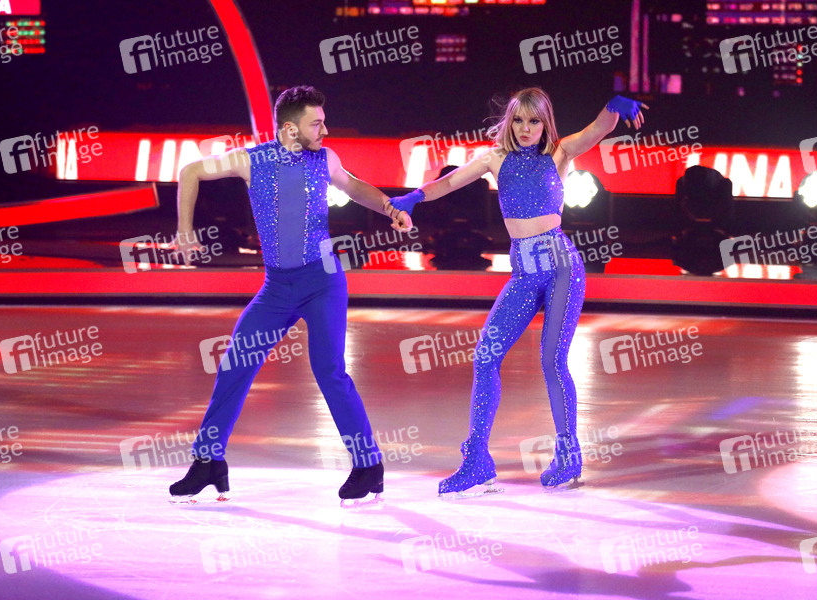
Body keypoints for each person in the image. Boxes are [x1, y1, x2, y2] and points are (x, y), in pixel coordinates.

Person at [388, 89, 647, 497]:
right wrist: (414, 197)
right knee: (485, 356)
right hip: (525, 272)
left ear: (545, 124)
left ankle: (568, 455)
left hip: (561, 267)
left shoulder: (560, 153)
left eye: (534, 121)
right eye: (519, 121)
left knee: (552, 360)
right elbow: (449, 182)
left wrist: (613, 107)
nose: (526, 129)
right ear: (510, 123)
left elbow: (598, 130)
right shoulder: (495, 158)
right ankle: (477, 461)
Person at [169, 85, 412, 506]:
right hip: (276, 288)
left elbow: (356, 187)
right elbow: (190, 172)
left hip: (323, 281)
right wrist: (185, 231)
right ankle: (208, 462)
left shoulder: (325, 159)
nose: (325, 130)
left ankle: (368, 465)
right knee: (235, 365)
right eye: (316, 124)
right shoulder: (251, 160)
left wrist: (390, 207)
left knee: (330, 371)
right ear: (289, 129)